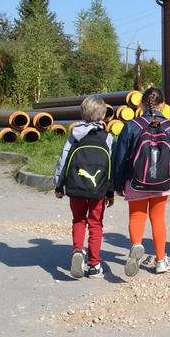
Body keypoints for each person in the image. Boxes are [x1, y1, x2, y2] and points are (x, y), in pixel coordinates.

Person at [112, 86, 170, 276]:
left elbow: (119, 157)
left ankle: (136, 247)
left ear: (141, 104)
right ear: (163, 105)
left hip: (135, 180)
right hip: (163, 181)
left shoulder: (131, 126)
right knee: (158, 219)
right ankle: (161, 261)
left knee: (136, 216)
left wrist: (118, 183)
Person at [52, 96, 114, 278]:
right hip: (98, 189)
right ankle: (94, 265)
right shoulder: (108, 137)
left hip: (75, 186)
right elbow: (111, 165)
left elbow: (64, 159)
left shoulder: (75, 135)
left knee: (78, 220)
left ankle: (78, 251)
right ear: (103, 115)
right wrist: (110, 191)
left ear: (82, 113)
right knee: (96, 224)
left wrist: (59, 184)